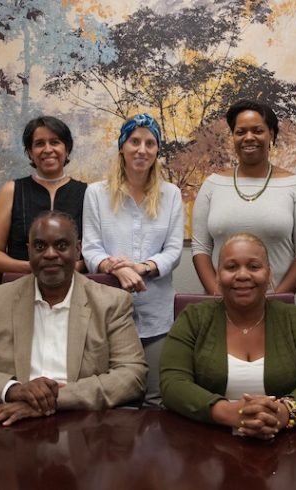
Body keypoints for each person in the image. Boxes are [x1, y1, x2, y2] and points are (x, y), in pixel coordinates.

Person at [0, 212, 147, 425]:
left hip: (81, 429)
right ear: (28, 251)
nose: (50, 254)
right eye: (39, 246)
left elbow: (132, 375)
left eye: (61, 245)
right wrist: (13, 390)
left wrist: (53, 401)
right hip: (7, 429)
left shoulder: (110, 302)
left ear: (78, 250)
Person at [161, 233, 296, 439]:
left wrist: (282, 413)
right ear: (217, 275)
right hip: (208, 444)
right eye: (231, 267)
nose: (242, 275)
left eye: (254, 267)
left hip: (286, 443)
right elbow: (172, 383)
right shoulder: (193, 318)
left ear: (269, 274)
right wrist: (228, 413)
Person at [82, 113, 184, 407]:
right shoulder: (96, 193)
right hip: (107, 313)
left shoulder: (171, 194)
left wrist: (140, 268)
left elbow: (174, 251)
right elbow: (90, 249)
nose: (142, 149)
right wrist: (117, 268)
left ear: (157, 151)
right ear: (122, 146)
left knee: (155, 398)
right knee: (114, 399)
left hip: (157, 316)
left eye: (150, 143)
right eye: (134, 141)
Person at [192, 99, 296, 305]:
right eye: (240, 131)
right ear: (232, 136)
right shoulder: (212, 185)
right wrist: (218, 295)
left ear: (271, 134)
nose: (249, 137)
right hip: (223, 305)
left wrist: (275, 300)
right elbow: (200, 249)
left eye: (258, 130)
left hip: (284, 306)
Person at [0, 115, 88, 274]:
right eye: (39, 144)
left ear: (67, 149)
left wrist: (76, 267)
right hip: (21, 287)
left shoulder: (87, 193)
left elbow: (95, 252)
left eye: (55, 142)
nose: (48, 149)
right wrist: (33, 268)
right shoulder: (11, 191)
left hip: (75, 288)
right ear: (30, 152)